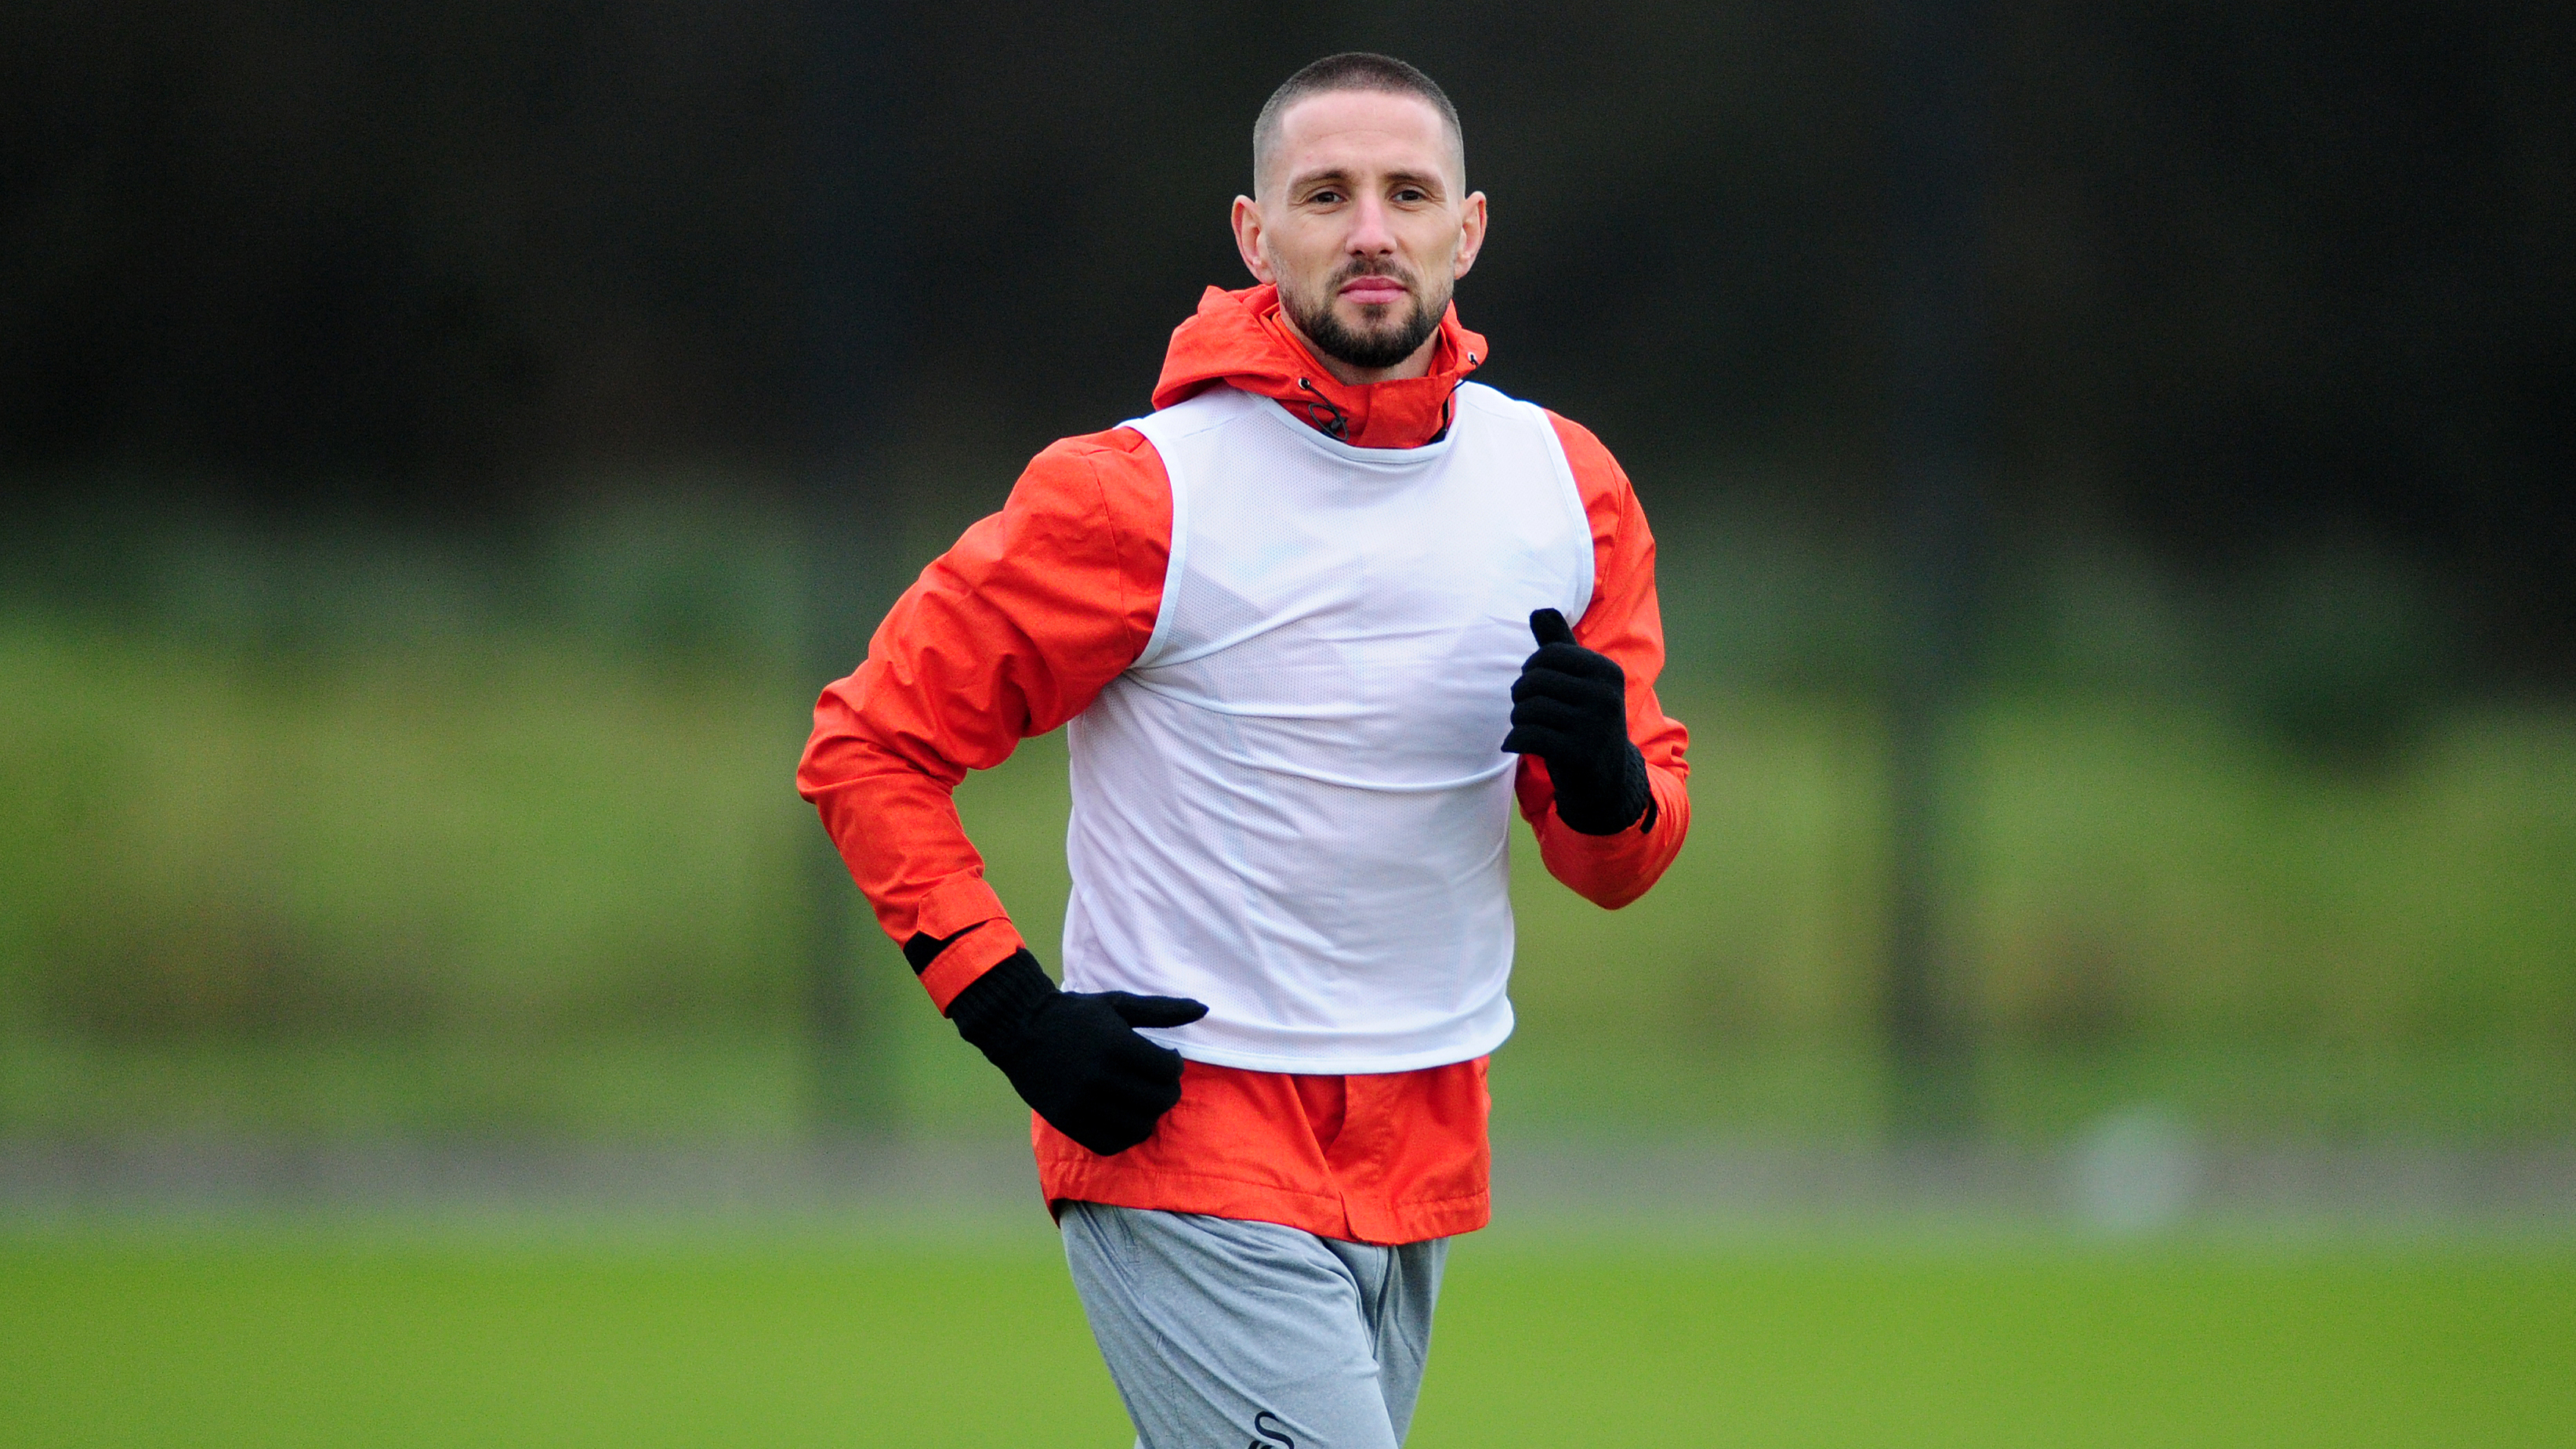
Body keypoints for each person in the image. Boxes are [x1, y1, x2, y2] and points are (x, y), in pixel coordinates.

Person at [797, 51, 1690, 1449]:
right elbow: (870, 745)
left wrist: (1606, 782)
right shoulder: (1134, 494)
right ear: (1254, 235)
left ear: (1470, 230)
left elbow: (1618, 863)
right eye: (1325, 194)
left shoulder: (1568, 489)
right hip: (1183, 1139)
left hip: (1429, 1137)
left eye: (1409, 192)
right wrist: (1014, 1014)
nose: (1372, 230)